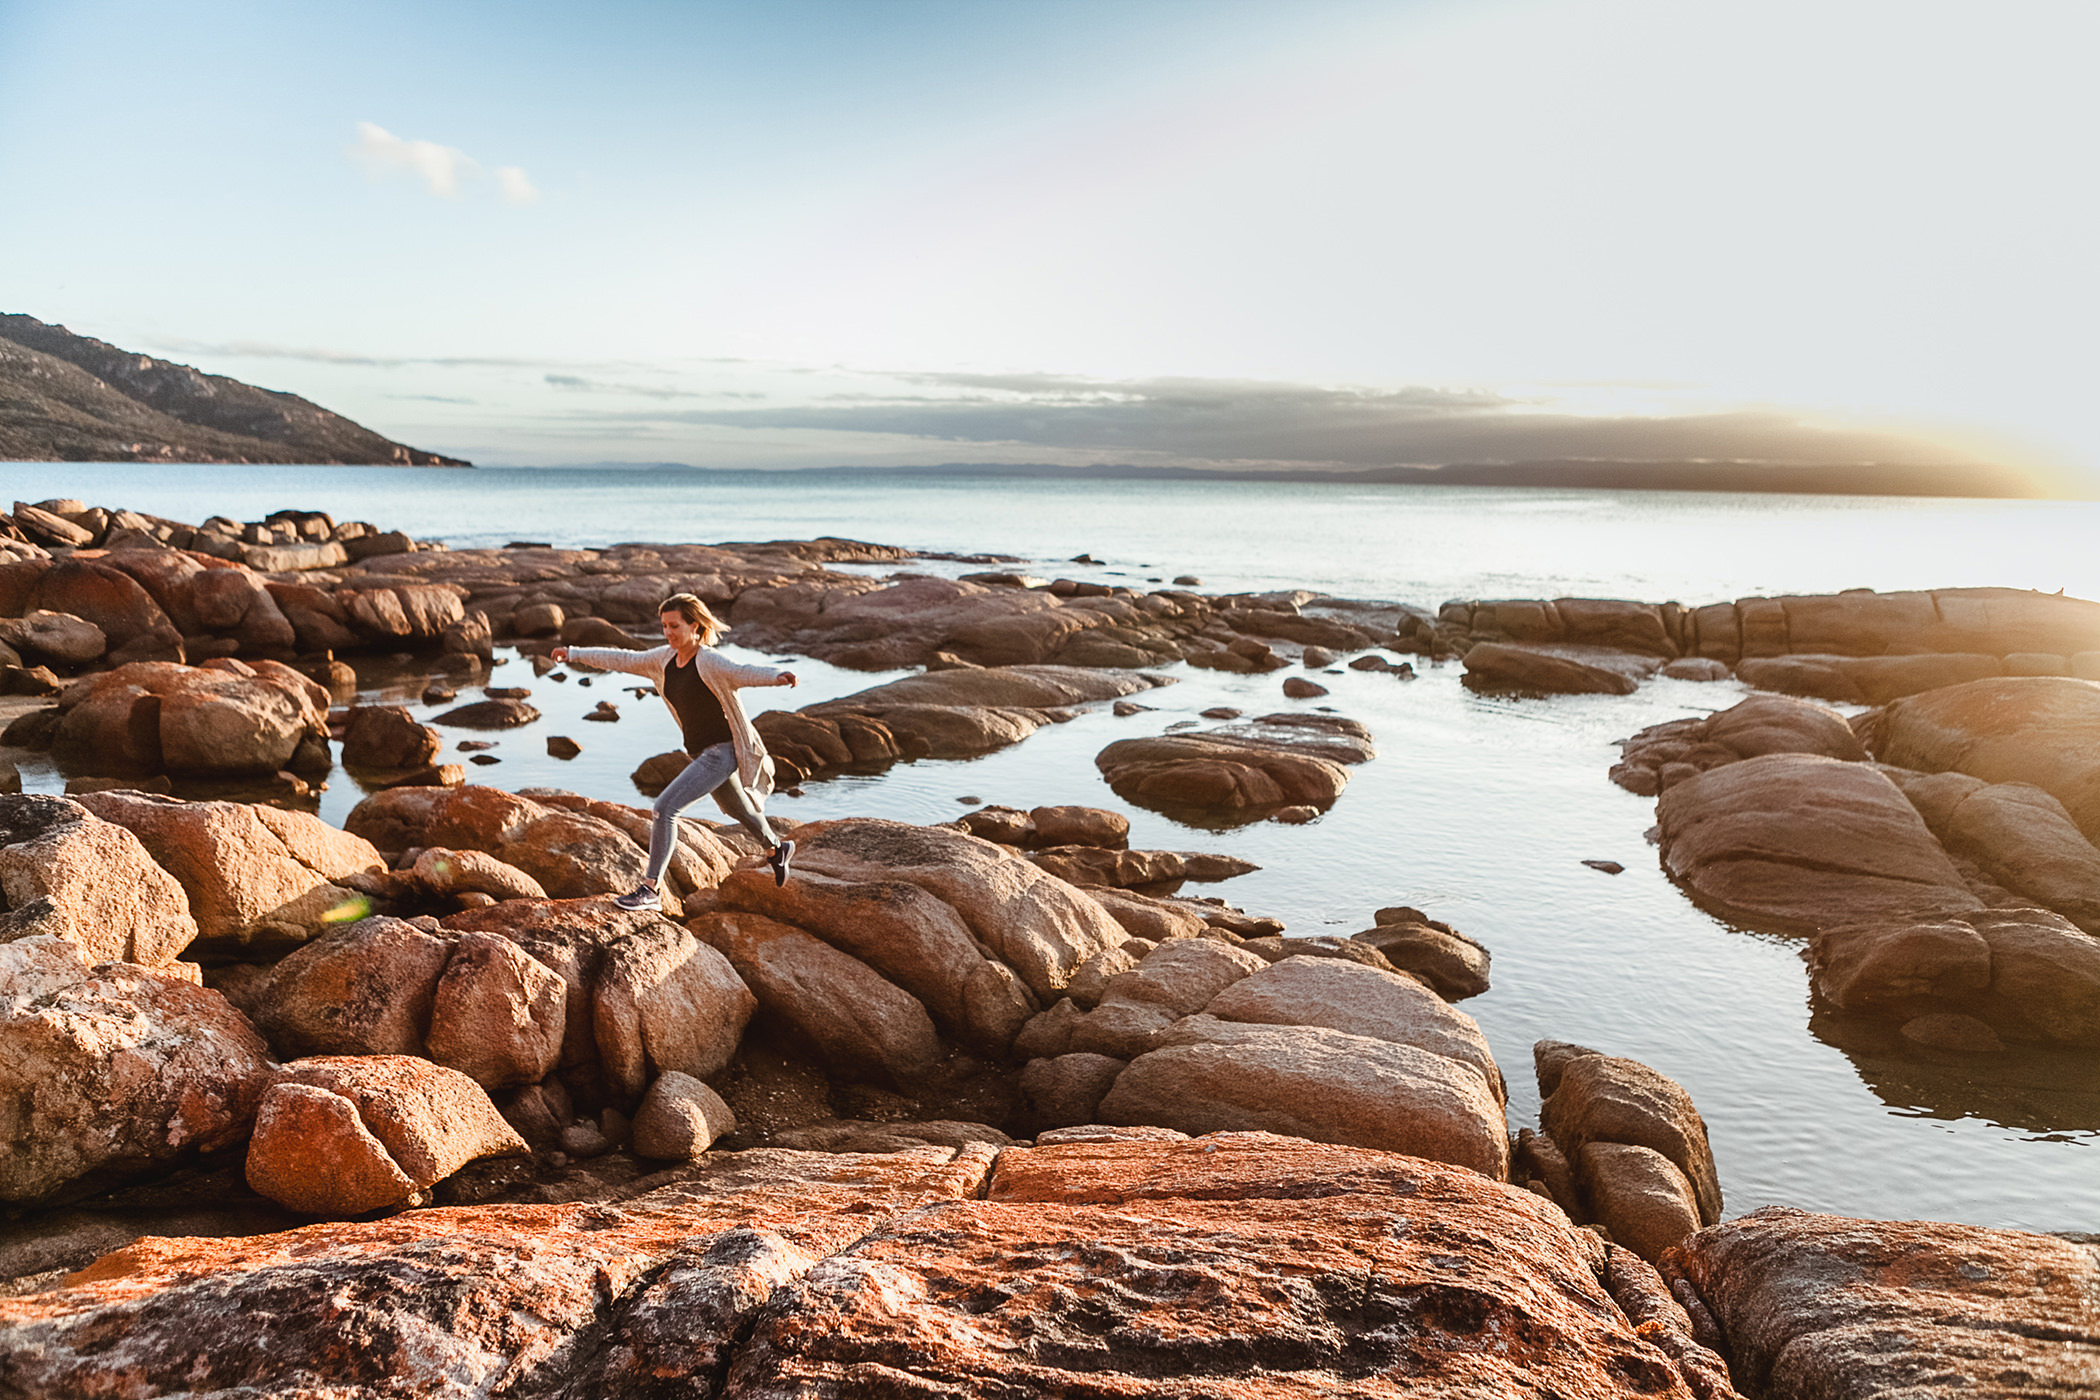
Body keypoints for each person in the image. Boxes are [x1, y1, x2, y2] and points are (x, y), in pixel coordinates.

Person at [552, 593, 797, 909]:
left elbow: (742, 672)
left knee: (664, 809)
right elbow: (621, 659)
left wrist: (777, 677)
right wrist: (573, 653)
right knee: (740, 810)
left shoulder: (708, 660)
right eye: (664, 626)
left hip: (720, 752)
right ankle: (778, 849)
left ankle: (650, 890)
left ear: (694, 625)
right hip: (699, 752)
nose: (668, 632)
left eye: (675, 625)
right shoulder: (663, 659)